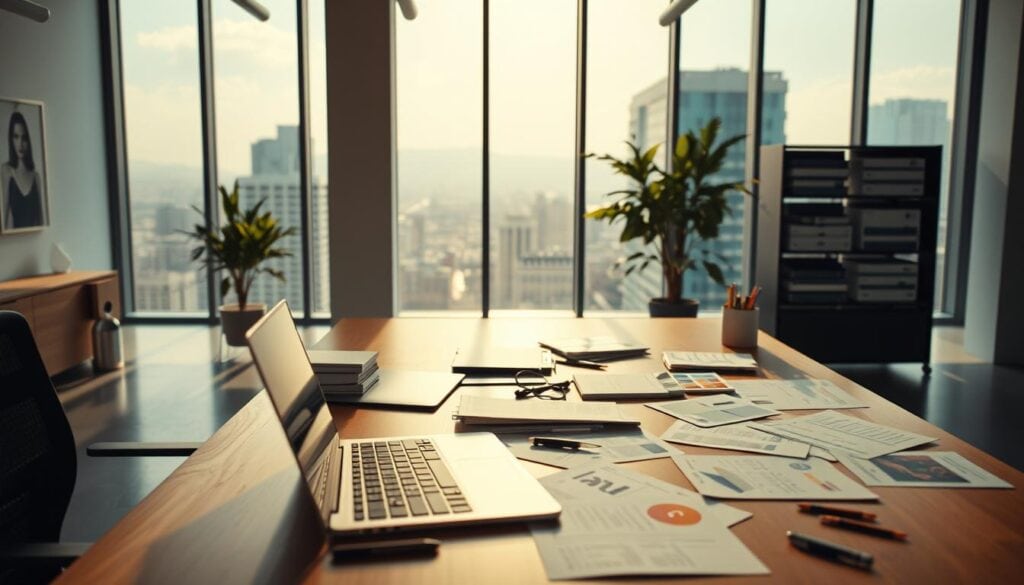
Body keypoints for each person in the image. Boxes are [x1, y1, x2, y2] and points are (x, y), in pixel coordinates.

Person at [2, 111, 44, 230]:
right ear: (11, 139)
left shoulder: (36, 177)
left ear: (28, 141)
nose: (20, 143)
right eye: (16, 137)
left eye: (24, 138)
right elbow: (3, 218)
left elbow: (41, 221)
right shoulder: (6, 171)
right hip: (15, 241)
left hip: (33, 241)